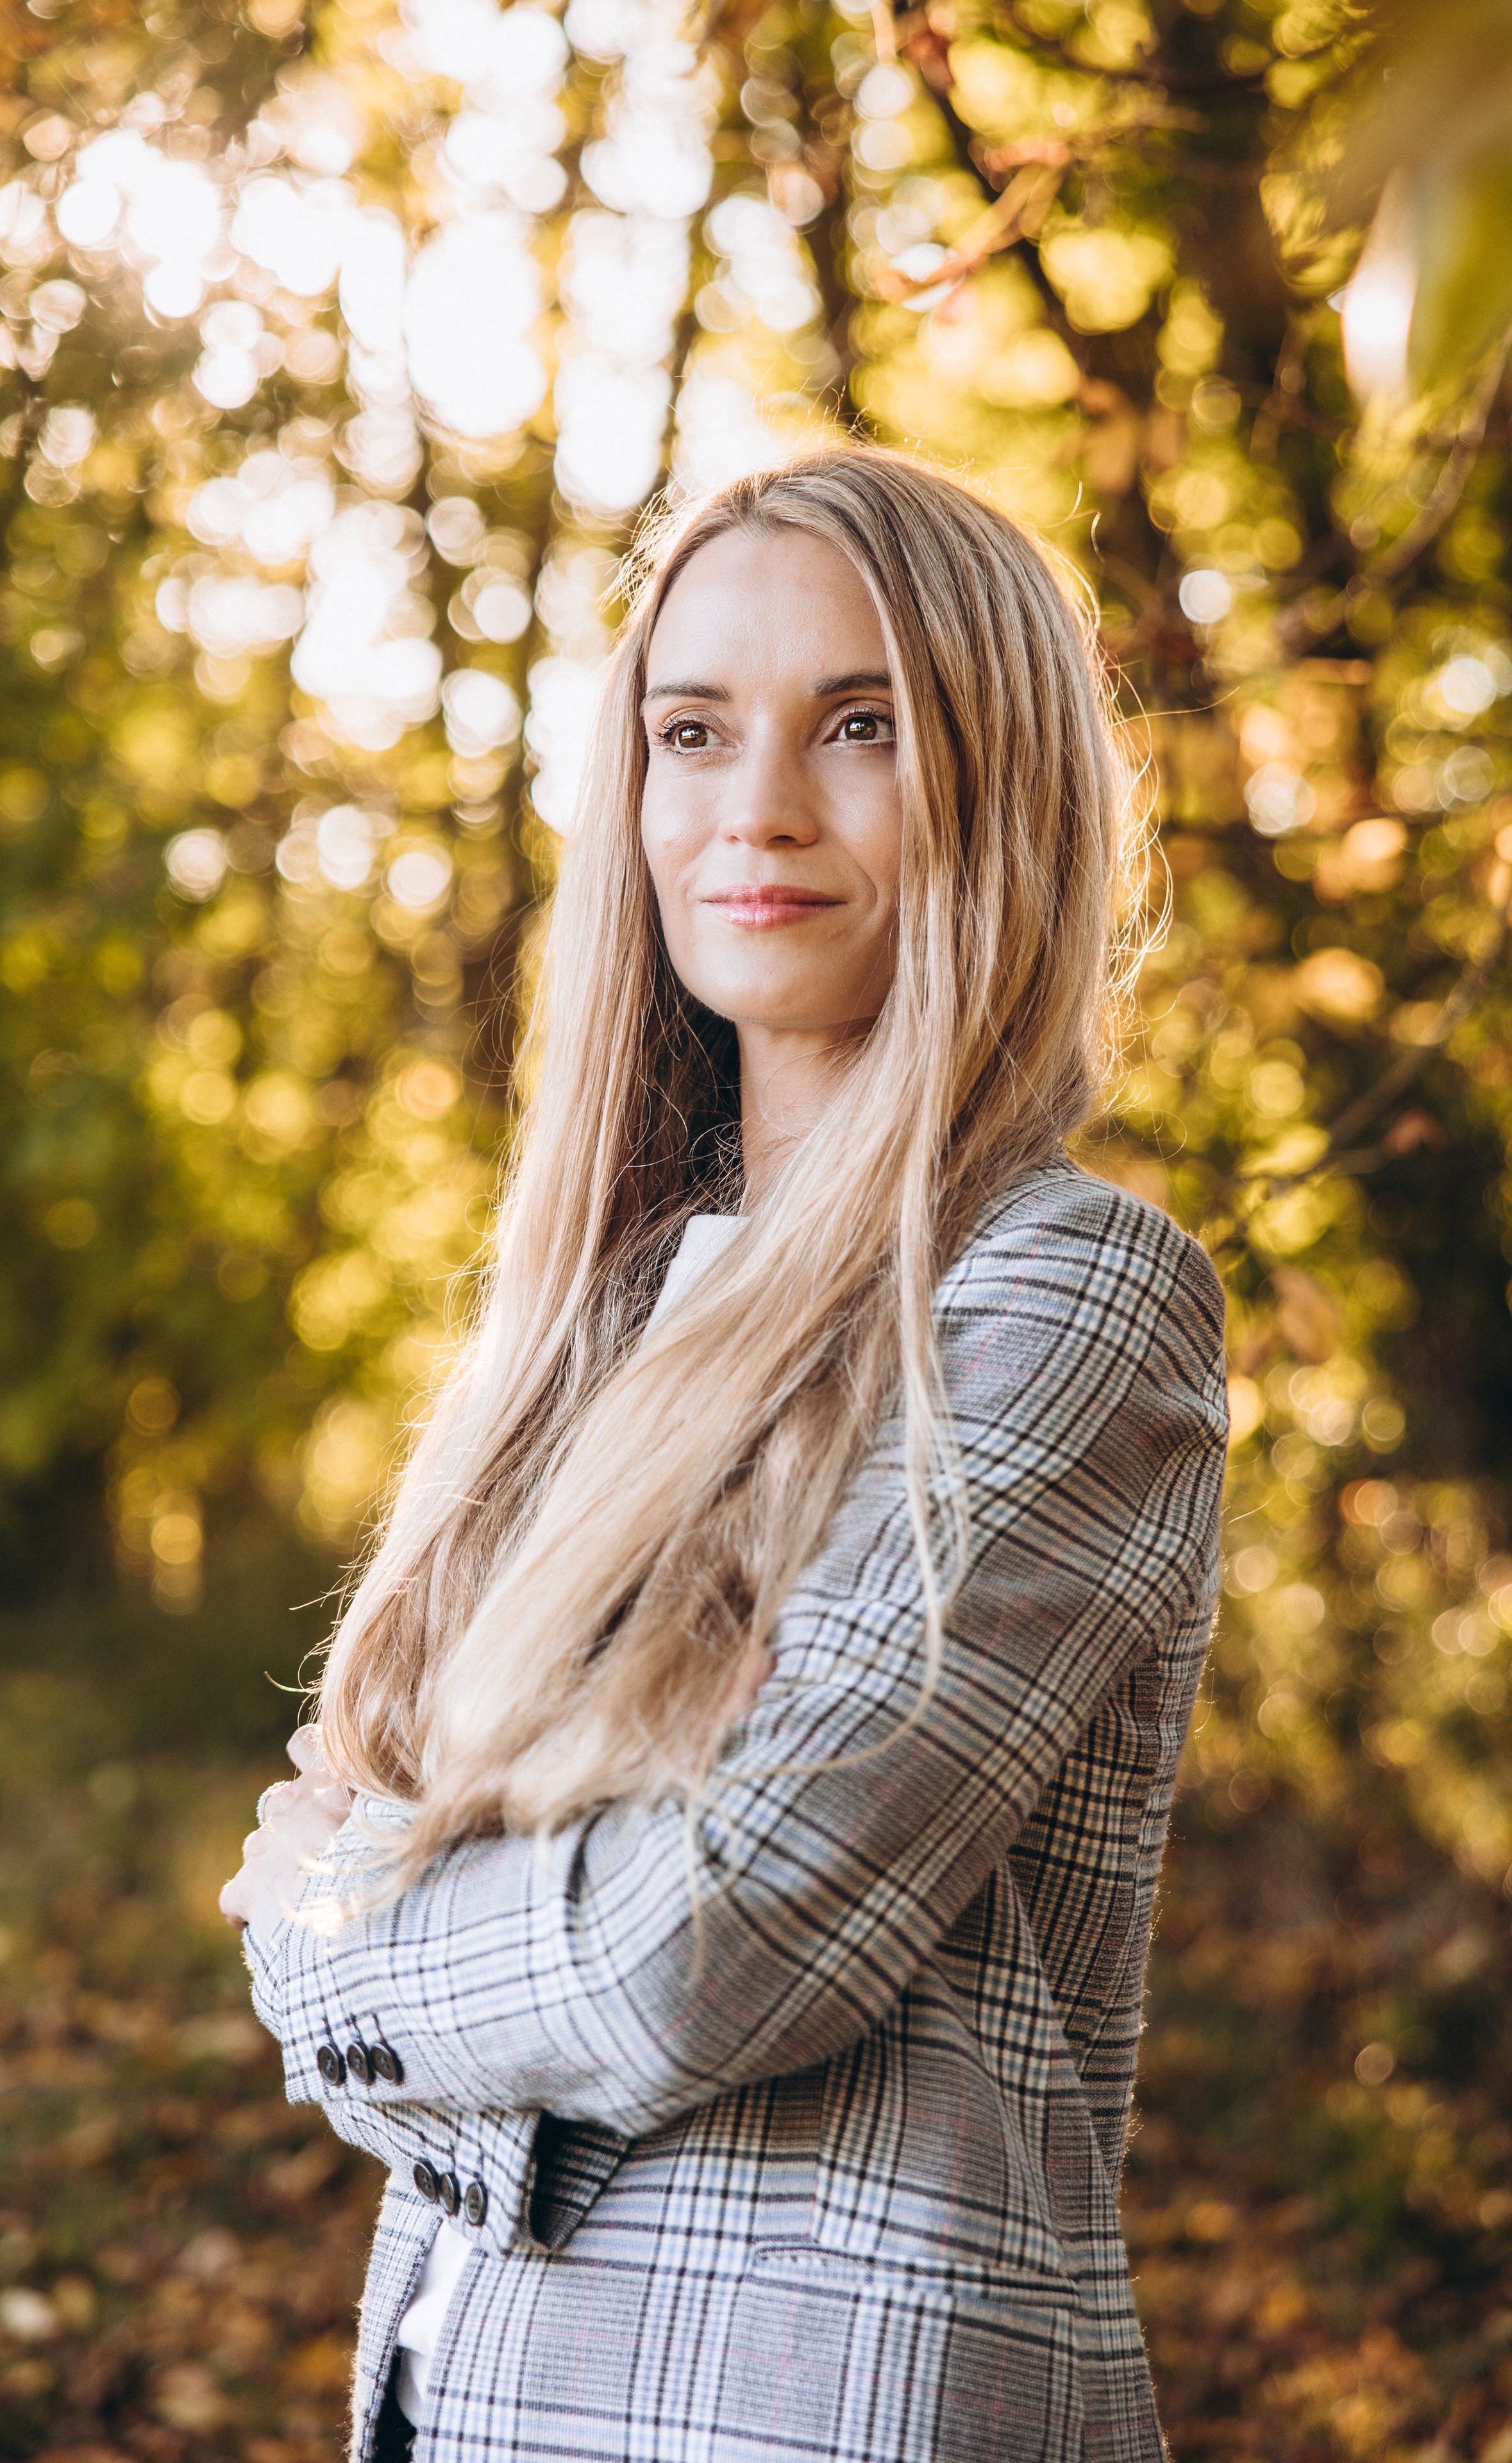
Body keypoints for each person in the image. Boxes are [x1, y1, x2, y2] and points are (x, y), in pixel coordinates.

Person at [221, 446, 1228, 2463]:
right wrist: (487, 1916)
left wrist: (337, 1918)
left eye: (859, 726)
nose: (755, 806)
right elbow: (521, 1956)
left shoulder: (1063, 1298)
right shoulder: (597, 1322)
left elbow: (707, 1951)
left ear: (1000, 782)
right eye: (695, 732)